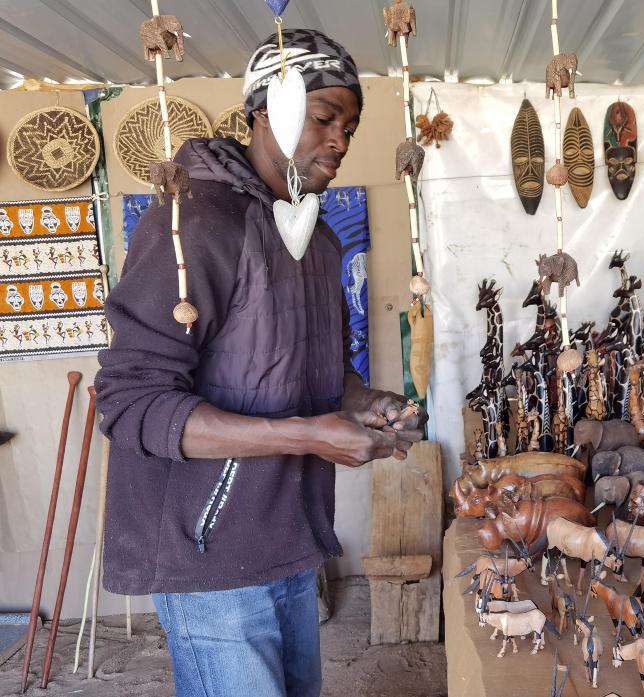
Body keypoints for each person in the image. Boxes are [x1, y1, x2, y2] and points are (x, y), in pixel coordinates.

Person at [95, 29, 426, 697]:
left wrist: (369, 404)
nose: (339, 140)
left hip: (288, 540)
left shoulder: (318, 239)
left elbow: (321, 373)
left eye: (349, 128)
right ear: (265, 112)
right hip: (208, 553)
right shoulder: (194, 224)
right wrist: (307, 435)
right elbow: (132, 405)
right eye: (324, 118)